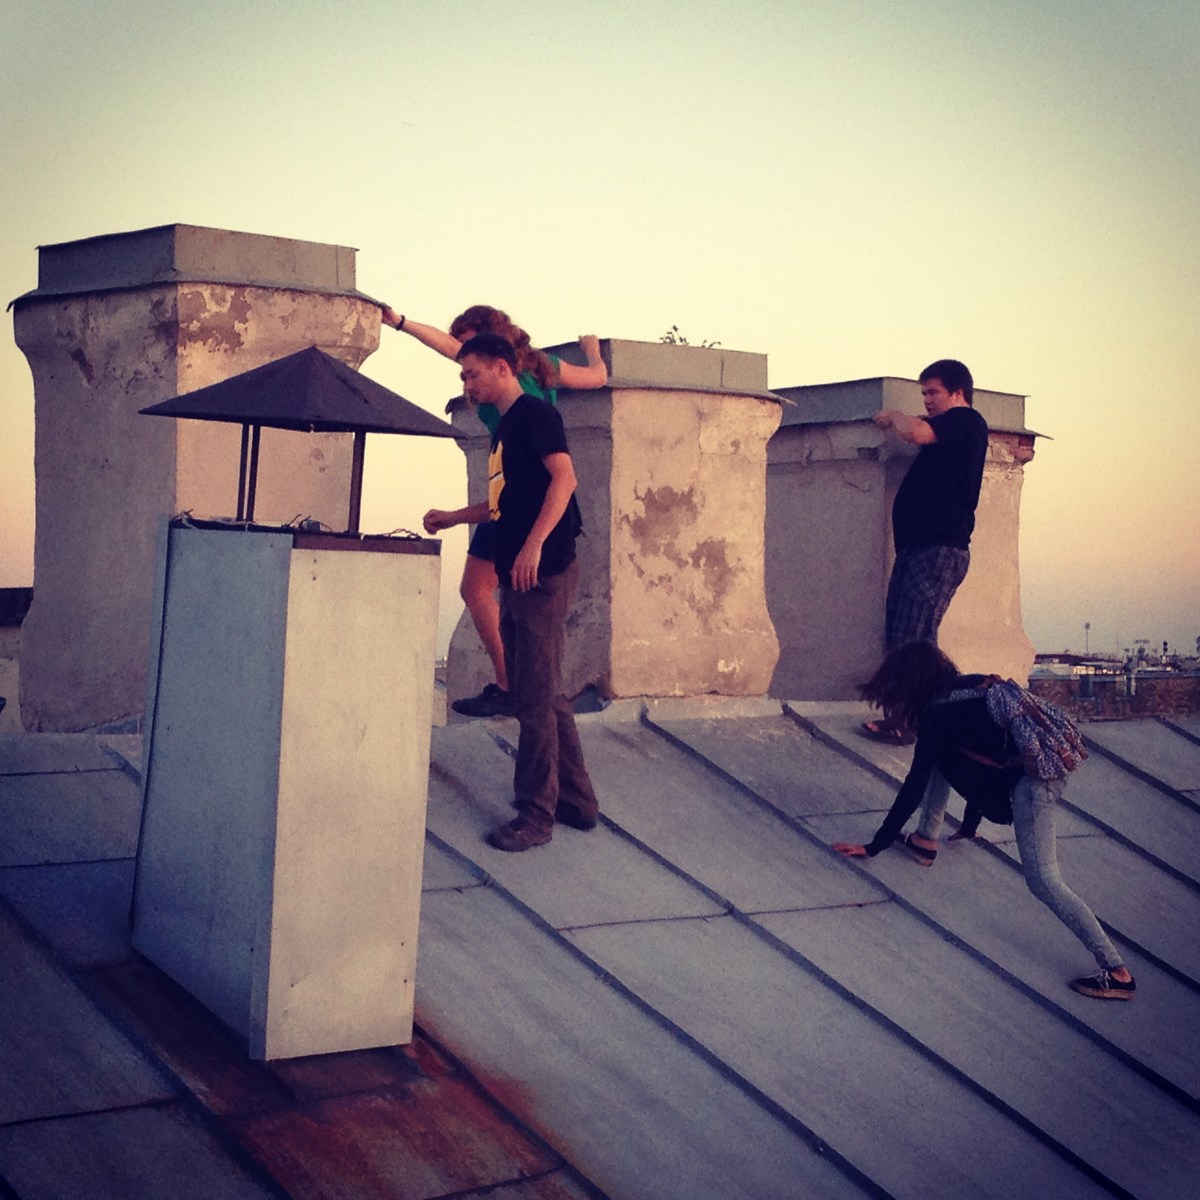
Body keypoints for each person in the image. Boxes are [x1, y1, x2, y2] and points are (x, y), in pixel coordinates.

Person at [833, 642, 1136, 1001]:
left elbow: (914, 786)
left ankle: (1116, 972)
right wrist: (971, 824)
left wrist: (874, 845)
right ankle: (925, 839)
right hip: (1037, 770)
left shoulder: (935, 716)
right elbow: (978, 756)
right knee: (937, 755)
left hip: (1034, 786)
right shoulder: (970, 688)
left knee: (1043, 880)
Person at [381, 303, 607, 717]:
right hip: (510, 488)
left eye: (470, 355)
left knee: (489, 599)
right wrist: (592, 352)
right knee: (479, 590)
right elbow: (597, 378)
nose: (464, 368)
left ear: (497, 359)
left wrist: (399, 322)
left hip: (521, 496)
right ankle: (512, 685)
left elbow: (562, 476)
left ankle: (510, 687)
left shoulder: (525, 398)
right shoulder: (543, 366)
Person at [423, 332, 599, 852]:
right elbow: (506, 503)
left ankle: (535, 817)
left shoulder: (535, 415)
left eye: (472, 373)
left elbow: (565, 480)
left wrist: (533, 547)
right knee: (540, 691)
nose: (467, 383)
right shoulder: (506, 429)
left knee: (533, 702)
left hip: (540, 576)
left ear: (502, 368)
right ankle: (578, 802)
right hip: (521, 576)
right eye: (463, 376)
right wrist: (455, 517)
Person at [863, 359, 988, 744]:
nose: (928, 400)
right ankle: (926, 716)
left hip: (938, 549)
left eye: (933, 392)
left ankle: (911, 722)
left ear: (957, 392)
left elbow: (916, 432)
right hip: (921, 549)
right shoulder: (951, 431)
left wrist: (893, 416)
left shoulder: (966, 421)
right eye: (924, 394)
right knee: (906, 634)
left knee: (913, 638)